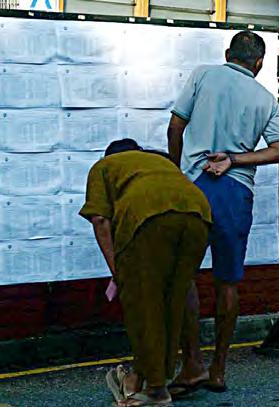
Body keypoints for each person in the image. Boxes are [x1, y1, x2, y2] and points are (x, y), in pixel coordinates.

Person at [166, 31, 279, 394]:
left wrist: (176, 173)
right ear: (259, 64)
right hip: (236, 192)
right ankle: (218, 369)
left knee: (182, 276)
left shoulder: (203, 74)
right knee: (228, 282)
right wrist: (235, 159)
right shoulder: (265, 98)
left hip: (193, 186)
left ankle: (192, 363)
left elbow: (175, 127)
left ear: (227, 53)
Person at [80, 139, 211, 407]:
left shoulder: (104, 166)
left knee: (145, 304)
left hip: (148, 217)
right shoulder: (158, 162)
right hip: (199, 213)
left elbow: (100, 219)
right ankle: (184, 368)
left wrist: (118, 272)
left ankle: (156, 389)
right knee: (175, 299)